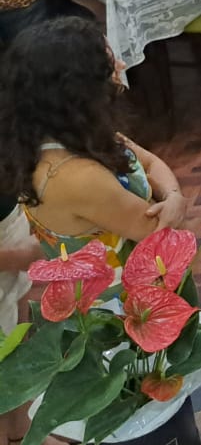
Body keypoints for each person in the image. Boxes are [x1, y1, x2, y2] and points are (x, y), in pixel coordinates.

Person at [0, 17, 188, 264]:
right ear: (79, 88)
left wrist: (172, 195)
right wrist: (174, 205)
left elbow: (149, 162)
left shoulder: (69, 134)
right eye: (109, 63)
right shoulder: (77, 176)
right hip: (126, 297)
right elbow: (156, 231)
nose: (121, 65)